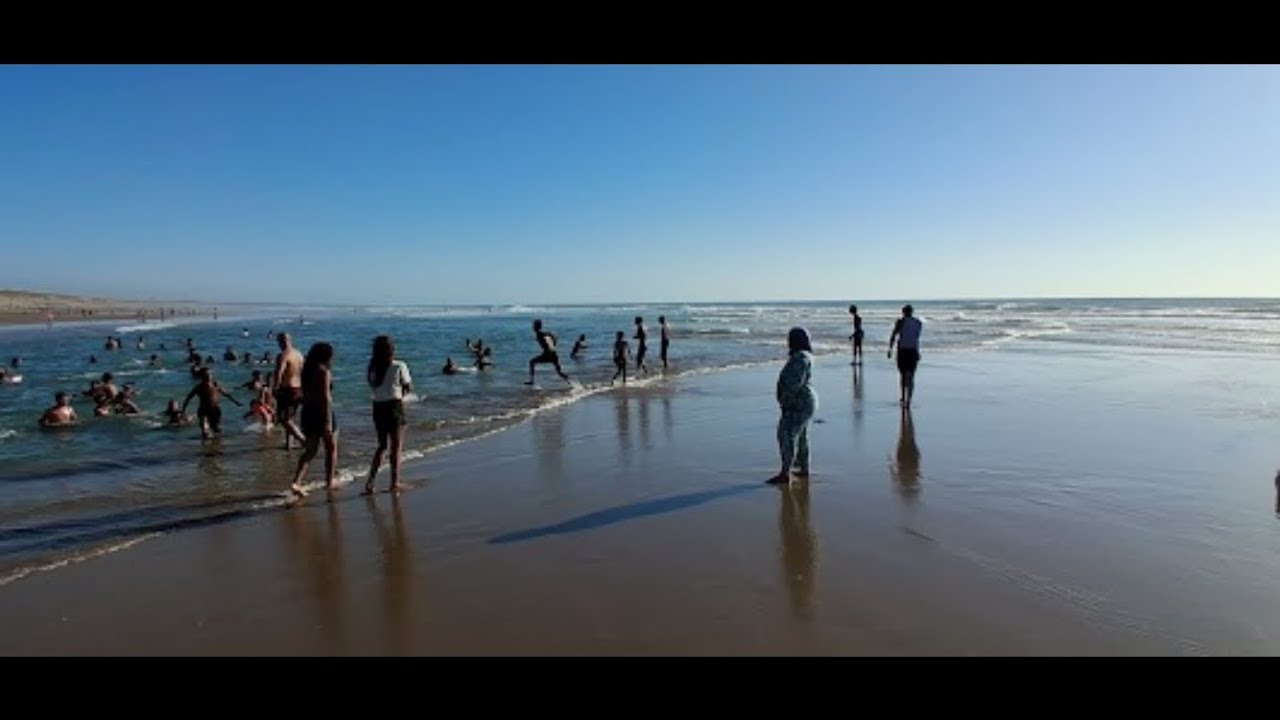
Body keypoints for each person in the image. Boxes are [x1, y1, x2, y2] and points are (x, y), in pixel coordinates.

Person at [365, 335, 413, 495]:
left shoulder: (372, 367)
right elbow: (408, 387)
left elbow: (372, 386)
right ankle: (394, 482)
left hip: (378, 407)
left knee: (382, 446)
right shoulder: (399, 365)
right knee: (396, 447)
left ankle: (370, 482)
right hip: (394, 406)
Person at [769, 327, 818, 484]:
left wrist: (787, 401)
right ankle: (803, 468)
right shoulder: (804, 356)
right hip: (804, 401)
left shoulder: (800, 358)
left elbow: (795, 383)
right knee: (801, 436)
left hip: (799, 403)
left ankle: (785, 472)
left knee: (786, 434)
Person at [290, 342, 338, 496]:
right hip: (322, 412)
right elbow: (326, 397)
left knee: (310, 450)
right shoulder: (323, 372)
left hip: (308, 412)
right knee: (331, 448)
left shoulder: (306, 371)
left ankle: (296, 481)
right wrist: (328, 420)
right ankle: (329, 481)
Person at [182, 368, 241, 440]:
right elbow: (188, 398)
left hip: (214, 409)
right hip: (203, 410)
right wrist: (184, 410)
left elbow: (225, 394)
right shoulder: (198, 387)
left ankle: (216, 444)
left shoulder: (215, 384)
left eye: (210, 374)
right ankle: (205, 446)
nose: (209, 376)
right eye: (206, 375)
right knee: (204, 429)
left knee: (216, 429)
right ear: (202, 377)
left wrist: (236, 402)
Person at [271, 333, 307, 449]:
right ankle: (289, 444)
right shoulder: (299, 354)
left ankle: (303, 440)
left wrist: (275, 387)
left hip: (287, 389)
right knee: (290, 417)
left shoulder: (283, 355)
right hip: (299, 388)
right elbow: (304, 372)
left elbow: (279, 372)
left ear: (280, 342)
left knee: (284, 419)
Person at [888, 304, 924, 407]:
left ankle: (903, 397)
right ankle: (909, 400)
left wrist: (890, 348)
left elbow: (894, 335)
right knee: (911, 376)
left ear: (903, 312)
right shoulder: (918, 323)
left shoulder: (901, 322)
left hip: (903, 350)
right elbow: (915, 338)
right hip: (913, 351)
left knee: (903, 375)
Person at [526, 319, 570, 385]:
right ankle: (571, 382)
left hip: (548, 354)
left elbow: (548, 340)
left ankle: (532, 381)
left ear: (536, 327)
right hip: (554, 354)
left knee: (532, 362)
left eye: (534, 326)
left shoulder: (539, 334)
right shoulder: (546, 333)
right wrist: (553, 346)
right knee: (559, 373)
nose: (533, 327)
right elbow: (554, 338)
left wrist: (549, 348)